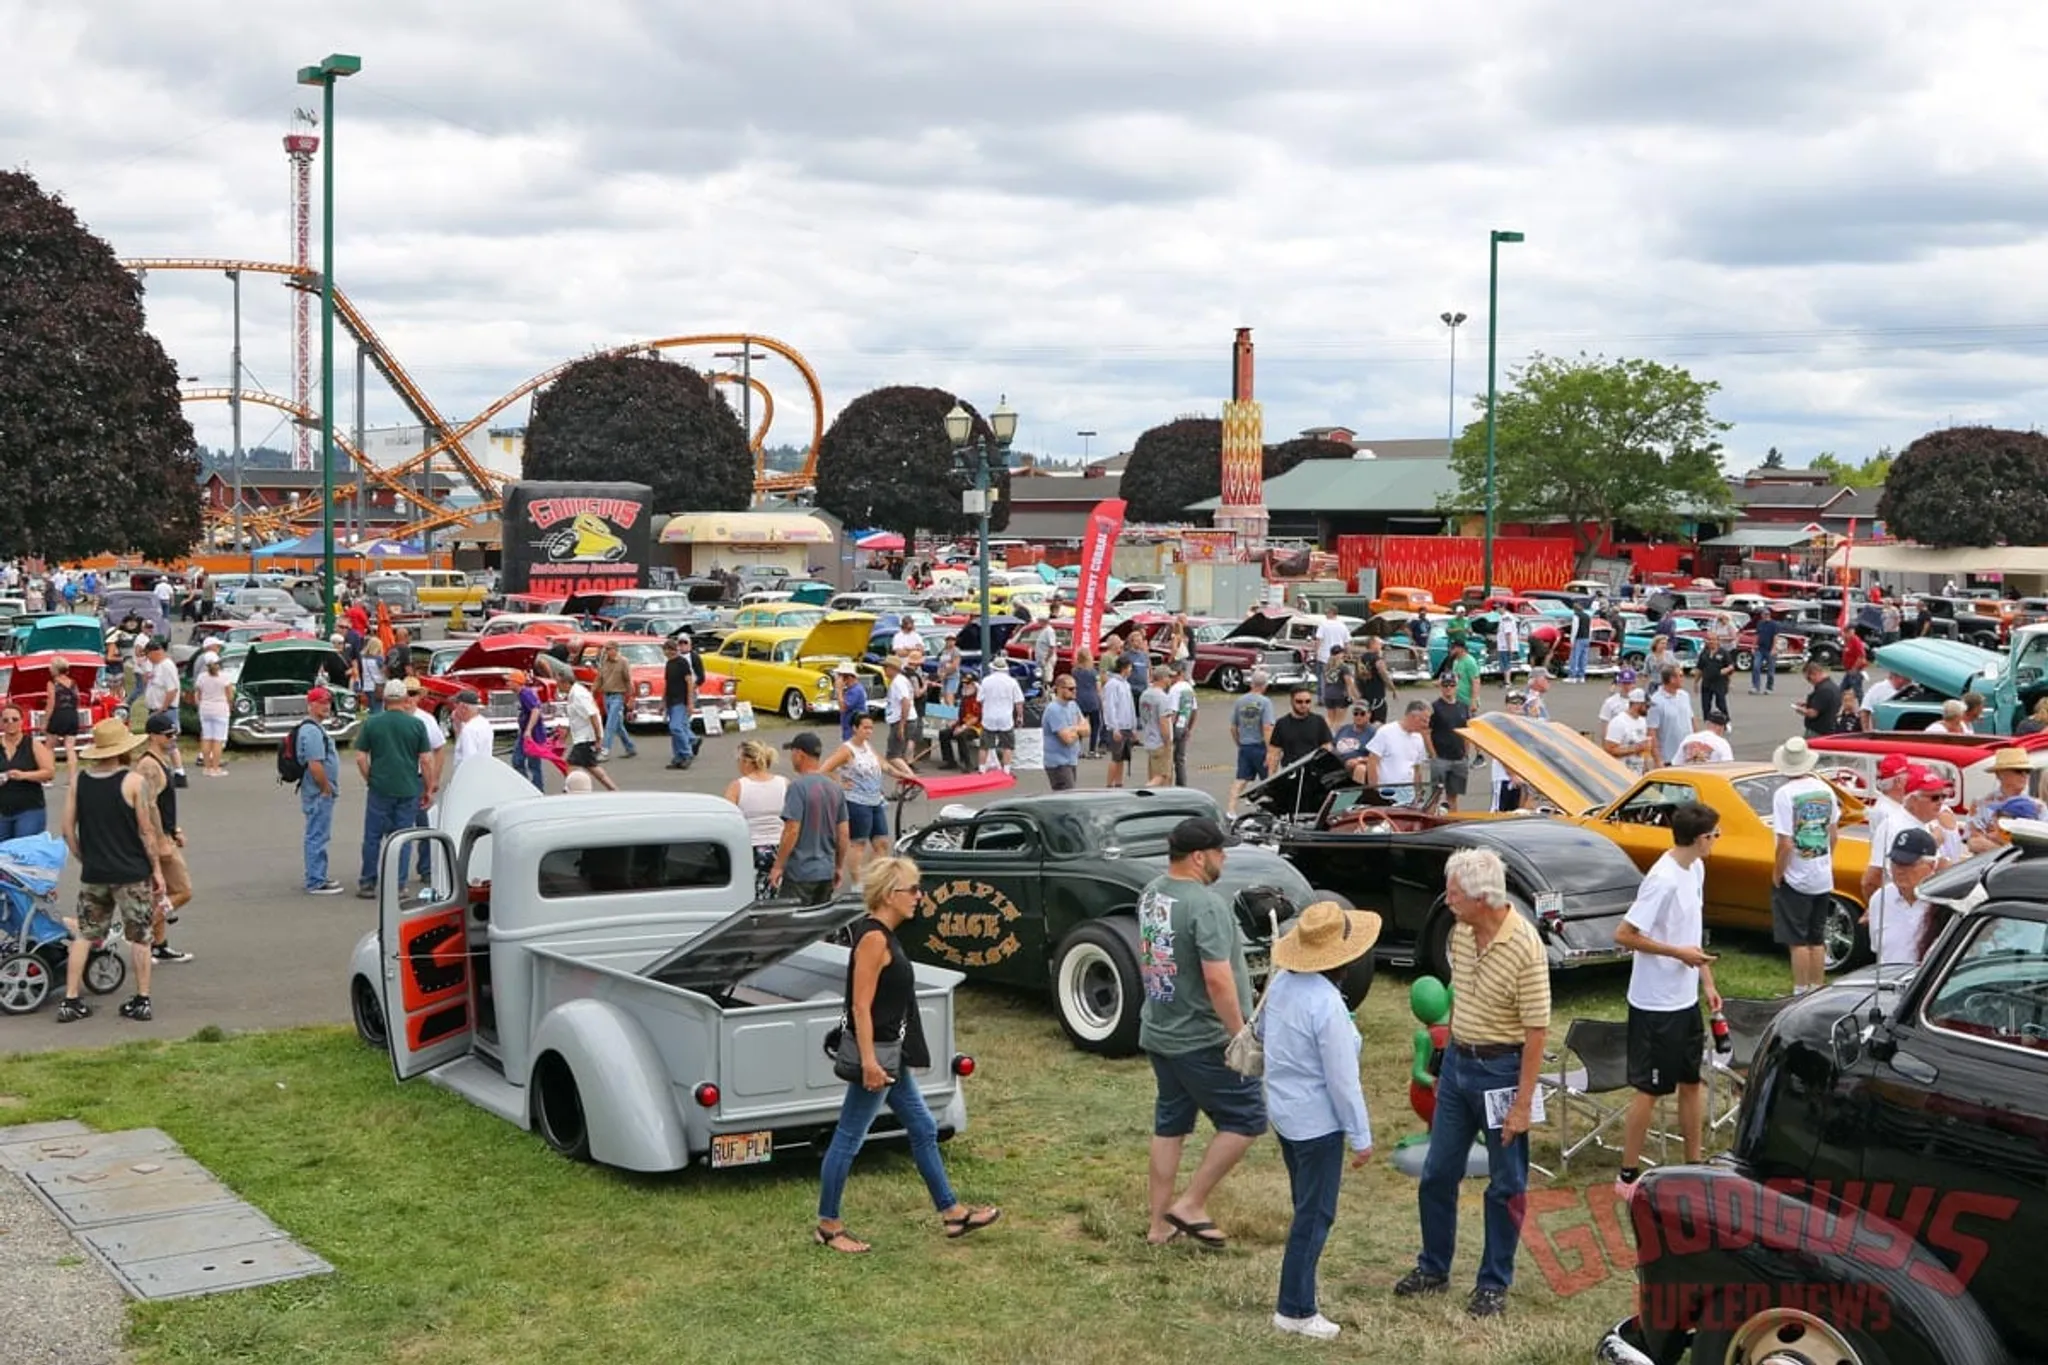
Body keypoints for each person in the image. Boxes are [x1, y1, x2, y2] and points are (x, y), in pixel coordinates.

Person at [814, 857, 1000, 1254]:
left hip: (891, 1057)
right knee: (849, 1137)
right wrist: (868, 1062)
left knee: (923, 1129)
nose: (920, 896)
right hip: (878, 1059)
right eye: (912, 890)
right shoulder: (873, 939)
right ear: (888, 894)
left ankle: (952, 1213)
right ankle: (828, 1225)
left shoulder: (887, 934)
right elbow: (860, 1007)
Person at [1395, 848, 1549, 1319]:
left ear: (1484, 898)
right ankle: (1433, 1267)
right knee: (1438, 1172)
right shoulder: (1461, 934)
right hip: (1461, 1064)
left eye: (1456, 893)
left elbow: (1537, 1032)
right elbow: (1460, 997)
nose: (1447, 899)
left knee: (1506, 1182)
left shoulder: (1525, 947)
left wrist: (1522, 1104)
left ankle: (1493, 1283)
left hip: (1503, 1070)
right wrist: (1447, 1065)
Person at [1140, 817, 1264, 1250]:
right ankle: (1191, 1204)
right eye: (1219, 851)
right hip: (1202, 1038)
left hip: (1159, 1028)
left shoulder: (1153, 892)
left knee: (1171, 1124)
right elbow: (1218, 981)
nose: (1224, 858)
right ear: (1198, 857)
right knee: (1246, 1118)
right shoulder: (1206, 905)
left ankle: (1159, 1225)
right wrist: (1239, 1036)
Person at [1261, 901, 1381, 1341]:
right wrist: (1361, 1137)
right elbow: (1343, 1082)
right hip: (1316, 1125)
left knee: (1304, 1209)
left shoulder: (1281, 986)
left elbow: (1264, 1039)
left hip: (1286, 1115)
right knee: (1314, 1216)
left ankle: (1300, 1293)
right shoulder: (1327, 1005)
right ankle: (1294, 1309)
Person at [1612, 802, 1720, 1201]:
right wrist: (1679, 955)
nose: (1716, 842)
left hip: (1684, 999)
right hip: (1654, 1003)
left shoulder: (1696, 869)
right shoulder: (1662, 879)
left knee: (1691, 1081)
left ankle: (1693, 1162)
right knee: (1651, 1088)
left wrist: (1705, 980)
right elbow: (1624, 934)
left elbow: (1691, 933)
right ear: (1698, 838)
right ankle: (1627, 1174)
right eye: (1714, 835)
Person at [55, 719, 165, 1024]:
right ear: (122, 749)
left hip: (95, 872)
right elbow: (146, 832)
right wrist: (156, 869)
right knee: (140, 936)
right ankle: (142, 999)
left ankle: (71, 999)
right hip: (131, 872)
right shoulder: (133, 783)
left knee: (85, 934)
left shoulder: (79, 781)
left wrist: (83, 856)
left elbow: (67, 829)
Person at [1770, 736, 1840, 995]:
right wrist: (1825, 860)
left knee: (1797, 940)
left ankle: (1799, 991)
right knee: (1817, 937)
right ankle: (1817, 988)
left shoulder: (1784, 795)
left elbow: (1786, 842)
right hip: (1822, 874)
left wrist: (1778, 873)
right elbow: (1833, 834)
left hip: (1796, 876)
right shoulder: (1826, 789)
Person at [353, 680, 433, 899]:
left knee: (372, 836)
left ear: (385, 699)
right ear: (405, 699)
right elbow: (426, 760)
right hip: (408, 788)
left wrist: (370, 778)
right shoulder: (416, 725)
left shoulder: (372, 723)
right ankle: (398, 885)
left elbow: (360, 757)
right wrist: (428, 788)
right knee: (403, 836)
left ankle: (368, 882)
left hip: (380, 787)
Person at [136, 713, 193, 965]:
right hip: (157, 840)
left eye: (175, 734)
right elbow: (148, 807)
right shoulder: (148, 765)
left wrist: (175, 828)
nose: (173, 739)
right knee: (182, 891)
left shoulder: (161, 760)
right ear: (153, 735)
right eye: (168, 735)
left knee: (160, 894)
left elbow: (164, 803)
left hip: (167, 833)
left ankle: (158, 946)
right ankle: (142, 931)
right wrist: (160, 842)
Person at [771, 732, 849, 905]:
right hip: (826, 871)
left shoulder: (798, 788)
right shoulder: (835, 789)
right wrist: (838, 866)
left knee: (792, 925)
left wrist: (778, 866)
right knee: (817, 925)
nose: (791, 758)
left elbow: (792, 830)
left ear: (800, 754)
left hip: (800, 872)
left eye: (792, 753)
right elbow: (843, 834)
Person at [820, 713, 892, 875]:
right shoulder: (847, 750)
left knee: (882, 843)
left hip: (875, 800)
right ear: (855, 728)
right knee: (858, 843)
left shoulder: (868, 746)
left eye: (871, 728)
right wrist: (840, 782)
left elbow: (885, 765)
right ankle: (856, 883)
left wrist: (905, 775)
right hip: (857, 802)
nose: (869, 731)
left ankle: (872, 877)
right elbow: (825, 768)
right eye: (865, 728)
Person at [294, 687, 343, 894]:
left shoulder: (314, 729)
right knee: (317, 835)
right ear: (310, 704)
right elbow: (315, 765)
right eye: (321, 702)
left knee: (319, 833)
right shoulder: (312, 731)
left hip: (317, 791)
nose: (326, 706)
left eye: (328, 702)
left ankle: (319, 875)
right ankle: (316, 880)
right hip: (318, 792)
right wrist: (325, 788)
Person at [725, 739, 789, 896]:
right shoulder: (784, 783)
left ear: (746, 761)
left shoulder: (737, 786)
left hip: (752, 847)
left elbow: (727, 819)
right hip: (780, 847)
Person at [1869, 827, 1940, 967]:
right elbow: (1878, 950)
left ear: (1931, 866)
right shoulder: (1880, 899)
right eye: (1895, 863)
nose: (1900, 871)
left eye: (1908, 864)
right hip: (1889, 983)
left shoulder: (1945, 902)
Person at [1965, 747, 2045, 854]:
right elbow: (1974, 842)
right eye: (2018, 771)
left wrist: (1998, 847)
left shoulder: (2039, 807)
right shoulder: (1980, 804)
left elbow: (2043, 842)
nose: (2024, 775)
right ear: (2000, 774)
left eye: (2027, 771)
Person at [0, 705, 55, 841]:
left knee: (25, 853)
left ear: (22, 721)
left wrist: (24, 775)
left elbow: (49, 772)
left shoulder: (33, 744)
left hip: (29, 809)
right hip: (2, 810)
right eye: (6, 720)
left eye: (14, 719)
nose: (10, 723)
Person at [1225, 671, 1276, 815]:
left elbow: (1233, 727)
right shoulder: (1265, 702)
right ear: (1265, 685)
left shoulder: (1240, 701)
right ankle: (1272, 809)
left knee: (1241, 779)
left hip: (1245, 745)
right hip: (1260, 746)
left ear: (1251, 683)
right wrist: (1270, 750)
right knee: (1270, 779)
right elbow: (1267, 727)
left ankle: (1231, 809)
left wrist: (1239, 743)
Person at [1365, 700, 1431, 805]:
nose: (1426, 725)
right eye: (1424, 720)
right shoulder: (1386, 732)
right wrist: (1374, 791)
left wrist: (1418, 793)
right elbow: (1372, 762)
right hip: (1386, 794)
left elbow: (1417, 769)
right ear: (1413, 717)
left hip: (1408, 796)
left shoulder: (1418, 738)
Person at [141, 638, 186, 784]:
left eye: (148, 654)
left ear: (156, 652)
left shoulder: (167, 666)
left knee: (169, 742)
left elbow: (172, 689)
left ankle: (179, 772)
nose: (147, 657)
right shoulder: (156, 666)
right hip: (155, 709)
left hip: (165, 710)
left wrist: (163, 708)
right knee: (155, 742)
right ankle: (162, 769)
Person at [561, 672, 615, 790]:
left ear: (565, 683)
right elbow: (575, 718)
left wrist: (598, 737)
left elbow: (593, 715)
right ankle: (613, 789)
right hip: (582, 736)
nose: (558, 687)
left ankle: (570, 789)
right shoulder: (573, 694)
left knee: (571, 764)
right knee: (591, 766)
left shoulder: (579, 695)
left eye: (559, 684)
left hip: (586, 737)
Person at [1426, 674, 1470, 814]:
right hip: (1441, 758)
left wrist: (1466, 753)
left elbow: (1466, 730)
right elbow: (1426, 732)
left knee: (1453, 796)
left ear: (1456, 686)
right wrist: (1433, 755)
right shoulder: (1434, 707)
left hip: (1459, 758)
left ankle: (1453, 822)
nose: (1448, 688)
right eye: (1445, 685)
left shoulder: (1463, 707)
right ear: (1440, 687)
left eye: (1451, 685)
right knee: (1435, 796)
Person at [1040, 672, 1087, 791]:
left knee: (1069, 797)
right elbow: (1067, 739)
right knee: (1067, 799)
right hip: (1058, 764)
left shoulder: (1073, 705)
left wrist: (1074, 729)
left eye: (1075, 688)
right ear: (1060, 689)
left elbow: (1087, 730)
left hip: (1071, 760)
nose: (1075, 691)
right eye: (1071, 689)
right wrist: (1078, 729)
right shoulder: (1054, 710)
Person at [1267, 687, 1332, 772]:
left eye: (1307, 701)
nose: (1304, 705)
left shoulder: (1319, 721)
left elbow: (1326, 748)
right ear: (1291, 701)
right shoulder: (1281, 723)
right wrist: (1271, 780)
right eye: (1299, 701)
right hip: (1290, 771)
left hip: (1314, 771)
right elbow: (1274, 754)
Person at [189, 656, 233, 776]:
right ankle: (215, 768)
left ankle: (207, 767)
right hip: (220, 709)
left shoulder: (201, 677)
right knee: (218, 740)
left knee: (207, 738)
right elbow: (230, 695)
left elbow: (197, 694)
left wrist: (200, 705)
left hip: (205, 709)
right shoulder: (224, 677)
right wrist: (230, 706)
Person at [977, 663, 1024, 773]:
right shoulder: (1012, 682)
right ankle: (1006, 769)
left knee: (984, 746)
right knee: (1007, 746)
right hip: (1005, 718)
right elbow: (1019, 702)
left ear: (993, 668)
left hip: (989, 717)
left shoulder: (986, 681)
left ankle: (981, 769)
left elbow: (980, 699)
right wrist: (1020, 716)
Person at [594, 642, 637, 761]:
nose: (607, 651)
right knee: (618, 725)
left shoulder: (623, 662)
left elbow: (628, 680)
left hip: (618, 696)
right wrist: (593, 692)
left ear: (616, 650)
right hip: (606, 695)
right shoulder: (604, 661)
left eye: (609, 649)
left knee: (610, 723)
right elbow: (599, 678)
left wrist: (631, 697)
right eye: (606, 649)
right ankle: (630, 747)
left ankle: (605, 750)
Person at [662, 637, 699, 771]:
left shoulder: (682, 663)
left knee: (676, 727)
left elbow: (689, 682)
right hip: (671, 700)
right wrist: (663, 702)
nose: (667, 653)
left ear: (673, 650)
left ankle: (686, 752)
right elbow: (667, 684)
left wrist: (690, 702)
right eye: (665, 651)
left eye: (669, 650)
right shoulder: (669, 664)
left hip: (681, 700)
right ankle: (678, 757)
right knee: (677, 730)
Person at [1647, 666, 1695, 765]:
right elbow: (1652, 733)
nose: (1683, 679)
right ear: (1672, 679)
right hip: (1669, 758)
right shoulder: (1656, 702)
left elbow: (1691, 720)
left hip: (1689, 756)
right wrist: (1658, 760)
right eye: (1680, 676)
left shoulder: (1685, 696)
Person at [1137, 664, 1175, 788]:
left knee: (1154, 774)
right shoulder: (1162, 698)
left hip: (1149, 740)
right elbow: (1164, 722)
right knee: (1163, 775)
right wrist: (1167, 742)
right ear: (1163, 678)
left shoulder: (1145, 695)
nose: (1170, 680)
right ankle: (1144, 790)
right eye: (1169, 676)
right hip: (1160, 743)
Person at [1101, 656, 1137, 788]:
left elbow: (1131, 706)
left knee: (1123, 757)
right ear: (1123, 668)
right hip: (1118, 726)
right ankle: (1109, 784)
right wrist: (1114, 727)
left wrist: (1133, 726)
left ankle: (1119, 783)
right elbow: (1110, 706)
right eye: (1130, 667)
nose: (1131, 670)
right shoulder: (1113, 684)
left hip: (1127, 725)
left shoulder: (1126, 684)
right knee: (1115, 757)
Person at [1604, 688, 1654, 775]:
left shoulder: (1642, 721)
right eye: (1647, 706)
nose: (1649, 708)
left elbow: (1643, 746)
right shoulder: (1619, 722)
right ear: (1637, 704)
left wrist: (1645, 767)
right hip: (1621, 775)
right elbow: (1609, 749)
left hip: (1637, 774)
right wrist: (1636, 748)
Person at [939, 674, 982, 774]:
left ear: (974, 684)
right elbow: (962, 716)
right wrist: (955, 723)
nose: (965, 686)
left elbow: (976, 718)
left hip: (977, 727)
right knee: (944, 733)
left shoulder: (979, 698)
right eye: (964, 684)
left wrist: (962, 727)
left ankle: (968, 763)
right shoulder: (965, 697)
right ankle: (950, 761)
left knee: (961, 735)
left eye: (968, 684)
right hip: (964, 725)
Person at [43, 657, 82, 764]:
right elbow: (78, 699)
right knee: (70, 747)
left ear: (55, 669)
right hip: (72, 715)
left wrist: (45, 722)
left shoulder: (52, 683)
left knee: (49, 747)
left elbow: (51, 703)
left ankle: (49, 774)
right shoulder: (73, 683)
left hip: (58, 715)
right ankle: (73, 777)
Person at [448, 691, 494, 775]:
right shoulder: (484, 723)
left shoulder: (469, 730)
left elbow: (469, 759)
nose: (454, 711)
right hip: (484, 772)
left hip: (469, 777)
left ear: (464, 708)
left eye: (456, 707)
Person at [882, 657, 918, 768]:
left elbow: (905, 702)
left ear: (893, 668)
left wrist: (902, 725)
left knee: (893, 756)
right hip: (904, 719)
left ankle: (910, 776)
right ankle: (906, 775)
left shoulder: (898, 682)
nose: (884, 669)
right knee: (898, 754)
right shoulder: (900, 680)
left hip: (902, 720)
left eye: (886, 667)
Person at [1169, 660, 1199, 786]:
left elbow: (1173, 711)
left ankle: (1167, 784)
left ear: (1179, 674)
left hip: (1175, 726)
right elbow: (1194, 710)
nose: (1171, 678)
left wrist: (1169, 731)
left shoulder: (1175, 689)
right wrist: (1189, 728)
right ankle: (1182, 784)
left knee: (1168, 758)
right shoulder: (1189, 688)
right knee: (1180, 758)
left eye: (1172, 675)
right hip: (1184, 725)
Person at [1693, 634, 1732, 727]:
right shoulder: (1704, 653)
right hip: (1706, 682)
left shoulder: (1723, 652)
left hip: (1719, 682)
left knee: (1721, 703)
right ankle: (1707, 722)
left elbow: (1731, 666)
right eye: (1709, 640)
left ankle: (1726, 721)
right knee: (1705, 704)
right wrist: (1695, 682)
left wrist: (1726, 671)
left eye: (1713, 640)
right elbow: (1699, 669)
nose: (1711, 642)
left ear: (1718, 641)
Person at [1794, 659, 1841, 737]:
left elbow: (1813, 713)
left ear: (1815, 674)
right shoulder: (1832, 686)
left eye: (1809, 678)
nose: (1809, 681)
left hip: (1818, 731)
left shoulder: (1823, 690)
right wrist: (1808, 703)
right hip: (1828, 729)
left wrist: (1801, 710)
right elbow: (1824, 704)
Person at [1356, 636, 1394, 724]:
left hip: (1364, 694)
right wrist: (1392, 687)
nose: (1381, 645)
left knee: (1365, 721)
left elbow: (1357, 677)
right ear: (1373, 644)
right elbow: (1383, 673)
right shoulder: (1377, 659)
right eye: (1379, 644)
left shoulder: (1360, 659)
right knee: (1378, 722)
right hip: (1376, 695)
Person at [1318, 648, 1355, 729]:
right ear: (1339, 654)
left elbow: (1325, 681)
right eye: (1342, 653)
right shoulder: (1343, 667)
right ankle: (1336, 738)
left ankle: (1324, 735)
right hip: (1340, 695)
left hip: (1328, 695)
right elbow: (1348, 683)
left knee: (1330, 719)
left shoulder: (1326, 666)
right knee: (1339, 721)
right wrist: (1351, 696)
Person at [832, 662, 868, 743]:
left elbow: (843, 708)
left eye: (841, 676)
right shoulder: (852, 690)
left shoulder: (856, 691)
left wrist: (839, 690)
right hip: (849, 729)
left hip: (853, 731)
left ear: (848, 677)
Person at [1448, 638, 1483, 710]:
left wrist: (1473, 701)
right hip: (1457, 701)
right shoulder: (1456, 661)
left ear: (1461, 649)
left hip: (1467, 702)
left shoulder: (1469, 662)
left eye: (1453, 648)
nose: (1450, 650)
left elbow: (1476, 682)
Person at [1750, 611, 1780, 694]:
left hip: (1770, 650)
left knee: (1770, 671)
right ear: (1761, 615)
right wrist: (1753, 646)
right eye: (1764, 614)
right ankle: (1755, 687)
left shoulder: (1774, 624)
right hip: (1760, 649)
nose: (1766, 616)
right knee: (1756, 667)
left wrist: (1774, 648)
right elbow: (1757, 636)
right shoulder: (1760, 623)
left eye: (1767, 614)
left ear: (1770, 615)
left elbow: (1775, 637)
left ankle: (1769, 688)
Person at [1312, 603, 1350, 669]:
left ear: (1331, 613)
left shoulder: (1323, 625)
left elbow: (1318, 640)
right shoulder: (1343, 626)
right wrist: (1348, 654)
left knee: (1322, 677)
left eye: (1327, 612)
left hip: (1323, 657)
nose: (1326, 615)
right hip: (1338, 658)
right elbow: (1346, 642)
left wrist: (1316, 652)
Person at [1566, 603, 1593, 683]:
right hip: (1586, 638)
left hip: (1578, 638)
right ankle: (1581, 676)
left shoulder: (1576, 616)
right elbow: (1590, 628)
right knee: (1583, 658)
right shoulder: (1588, 616)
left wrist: (1572, 640)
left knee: (1574, 657)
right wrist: (1589, 638)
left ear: (1574, 609)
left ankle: (1572, 676)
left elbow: (1575, 628)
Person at [1494, 610, 1520, 680]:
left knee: (1506, 663)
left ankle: (1507, 681)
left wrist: (1509, 647)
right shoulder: (1503, 617)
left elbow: (1508, 633)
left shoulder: (1507, 618)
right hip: (1503, 645)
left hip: (1505, 646)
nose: (1497, 609)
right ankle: (1506, 680)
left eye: (1498, 607)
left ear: (1503, 607)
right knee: (1504, 663)